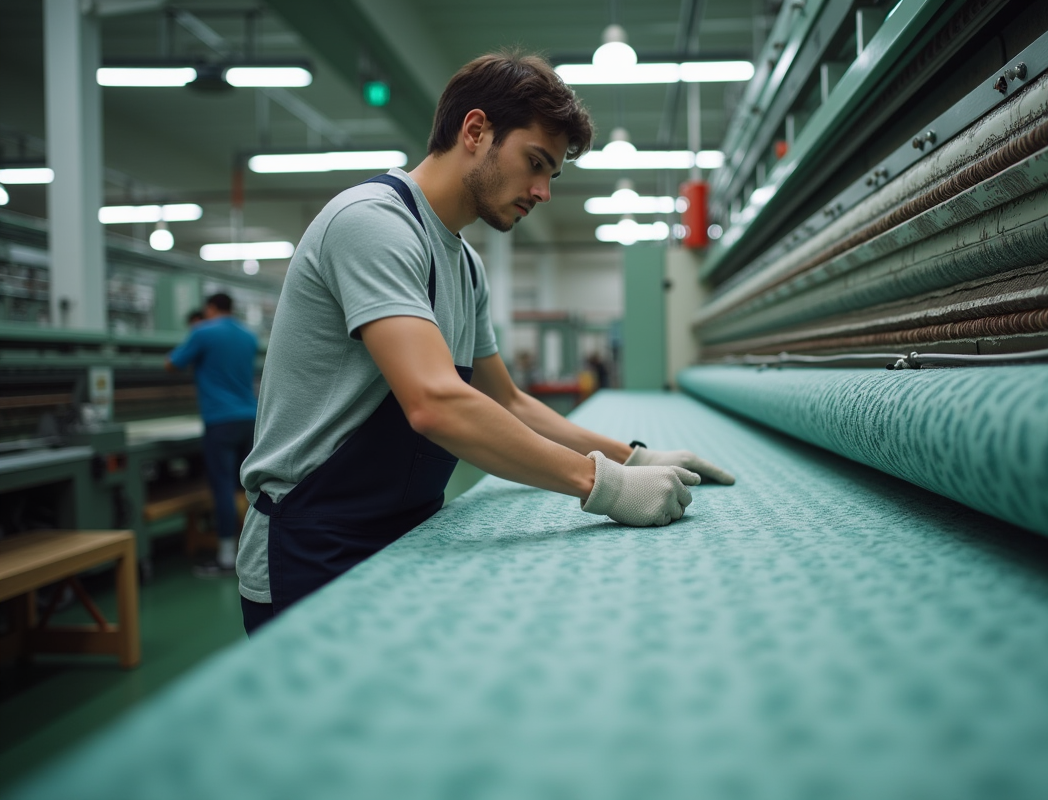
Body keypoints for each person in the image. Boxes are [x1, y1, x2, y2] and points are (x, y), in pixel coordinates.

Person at [236, 51, 735, 635]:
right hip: (315, 545)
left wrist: (634, 456)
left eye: (553, 173)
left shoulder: (466, 264)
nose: (544, 190)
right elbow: (434, 402)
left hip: (409, 534)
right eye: (535, 162)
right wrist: (603, 484)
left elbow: (509, 401)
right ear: (476, 131)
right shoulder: (373, 223)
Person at [166, 292, 258, 577]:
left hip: (220, 420)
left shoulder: (202, 331)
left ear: (210, 308)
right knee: (251, 487)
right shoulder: (249, 336)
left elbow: (173, 364)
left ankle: (227, 556)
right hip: (250, 417)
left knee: (221, 488)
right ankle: (256, 550)